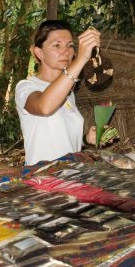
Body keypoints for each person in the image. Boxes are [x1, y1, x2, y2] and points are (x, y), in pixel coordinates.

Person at [15, 20, 100, 165]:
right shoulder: (25, 87)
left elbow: (64, 143)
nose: (66, 52)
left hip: (71, 177)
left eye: (70, 46)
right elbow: (44, 107)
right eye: (57, 45)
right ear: (39, 52)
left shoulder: (68, 92)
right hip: (43, 180)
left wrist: (87, 139)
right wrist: (80, 59)